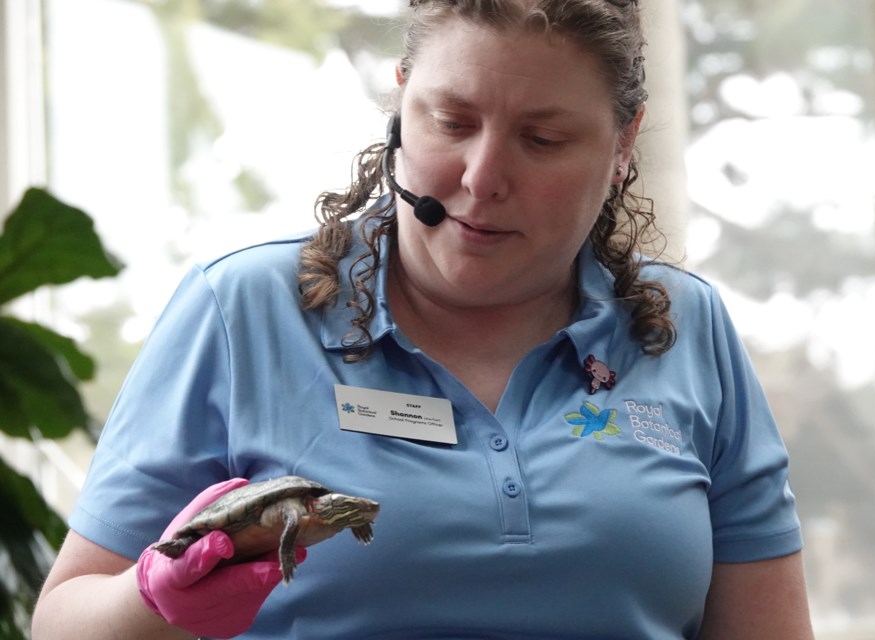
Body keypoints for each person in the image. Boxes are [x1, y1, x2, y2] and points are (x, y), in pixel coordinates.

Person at [32, 0, 815, 638]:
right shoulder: (242, 310)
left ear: (623, 143)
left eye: (542, 139)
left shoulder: (683, 326)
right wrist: (154, 598)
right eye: (451, 120)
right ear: (402, 101)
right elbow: (63, 623)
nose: (482, 177)